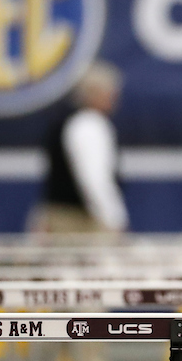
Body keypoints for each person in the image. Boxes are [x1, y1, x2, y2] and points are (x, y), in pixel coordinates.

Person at [29, 61, 129, 238]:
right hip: (79, 223)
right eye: (111, 94)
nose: (115, 100)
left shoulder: (66, 121)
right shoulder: (90, 125)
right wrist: (114, 219)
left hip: (63, 217)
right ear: (95, 94)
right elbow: (94, 179)